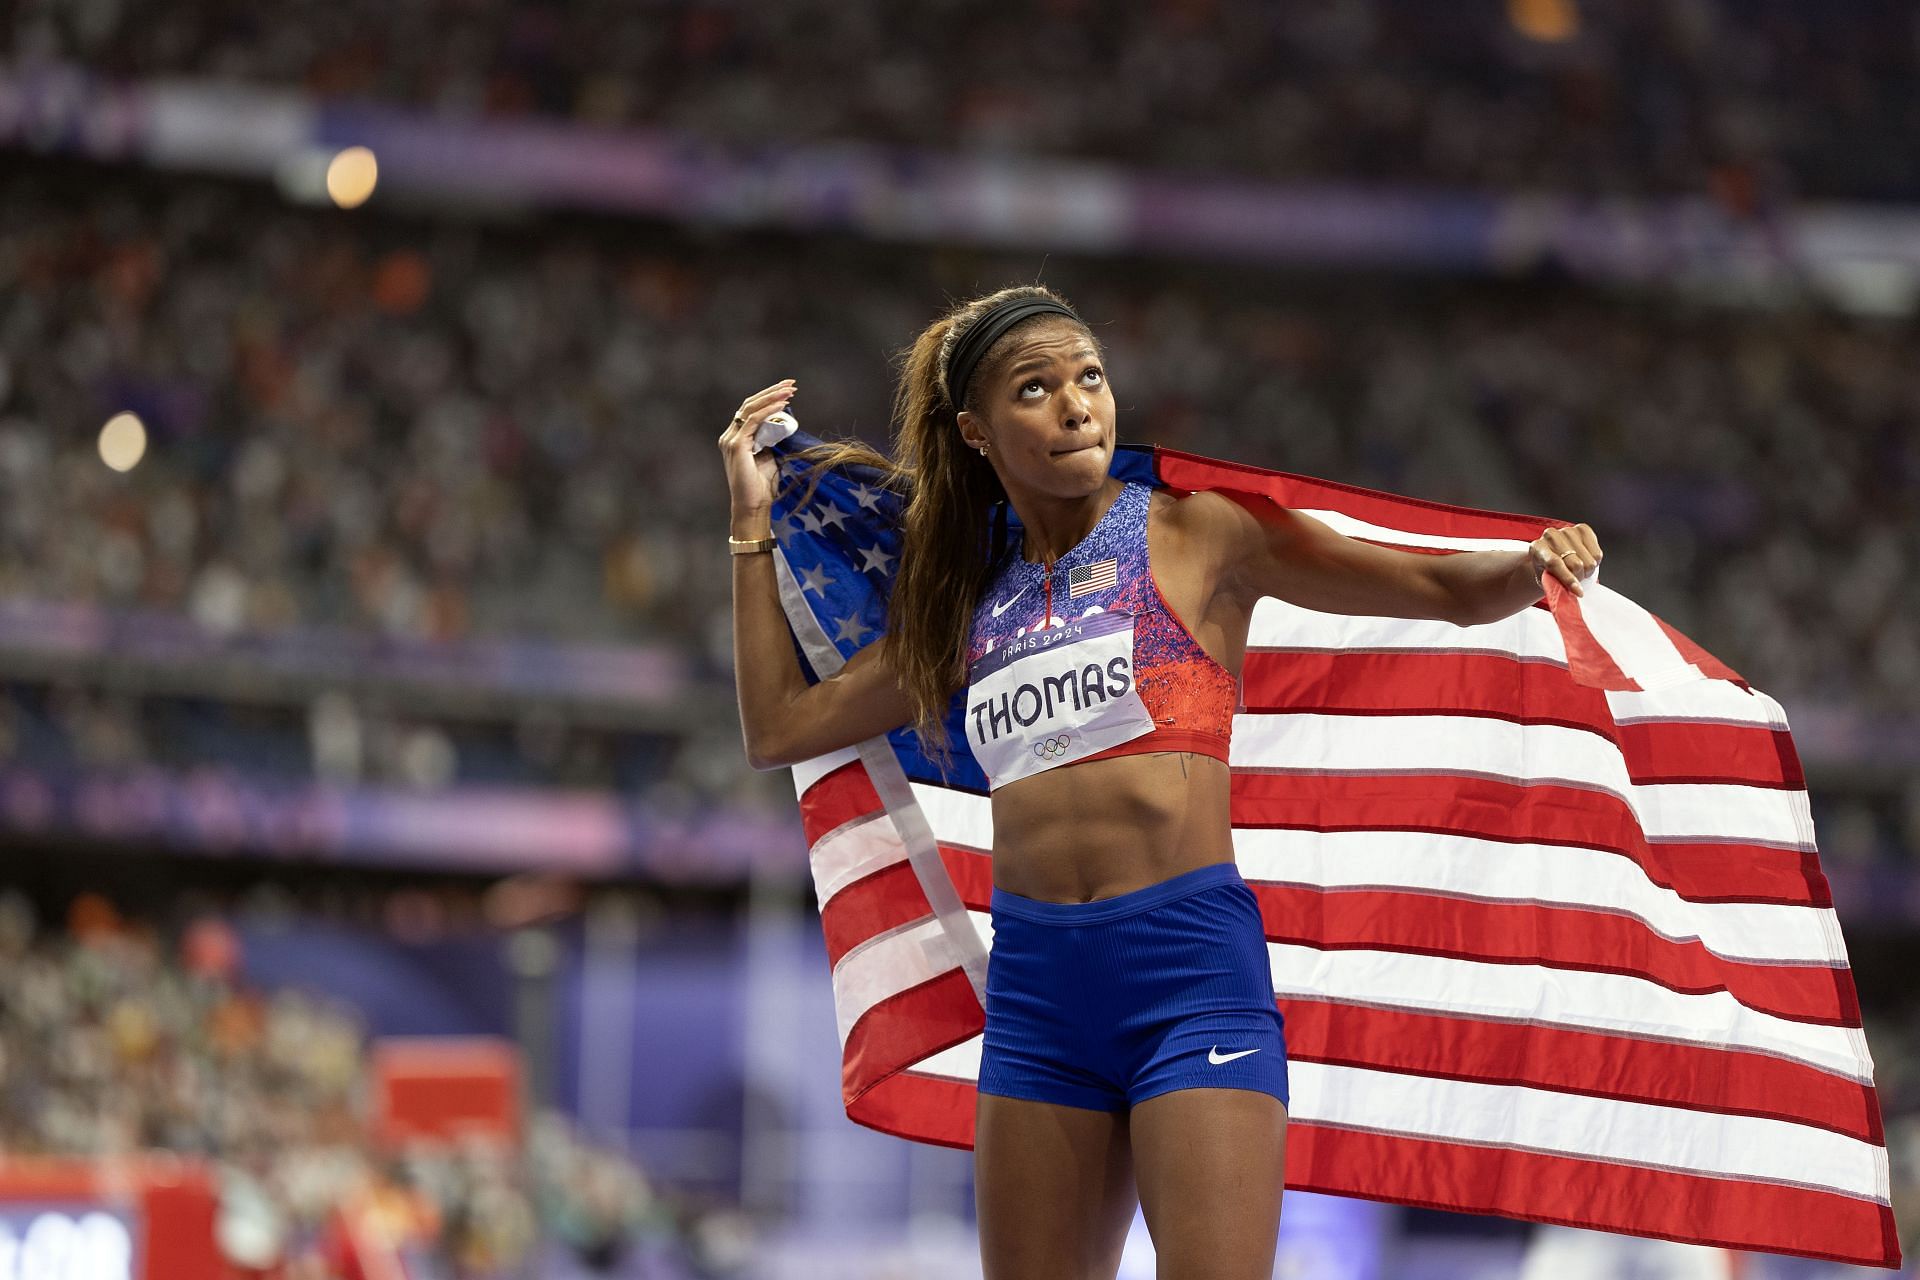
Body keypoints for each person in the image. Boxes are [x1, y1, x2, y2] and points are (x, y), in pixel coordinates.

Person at [719, 285, 1602, 1280]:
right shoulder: (964, 603)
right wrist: (751, 527)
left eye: (1089, 376)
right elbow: (781, 727)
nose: (1076, 404)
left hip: (1190, 980)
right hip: (1038, 996)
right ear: (974, 429)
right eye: (1037, 387)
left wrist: (1530, 565)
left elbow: (1437, 587)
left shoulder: (1196, 535)